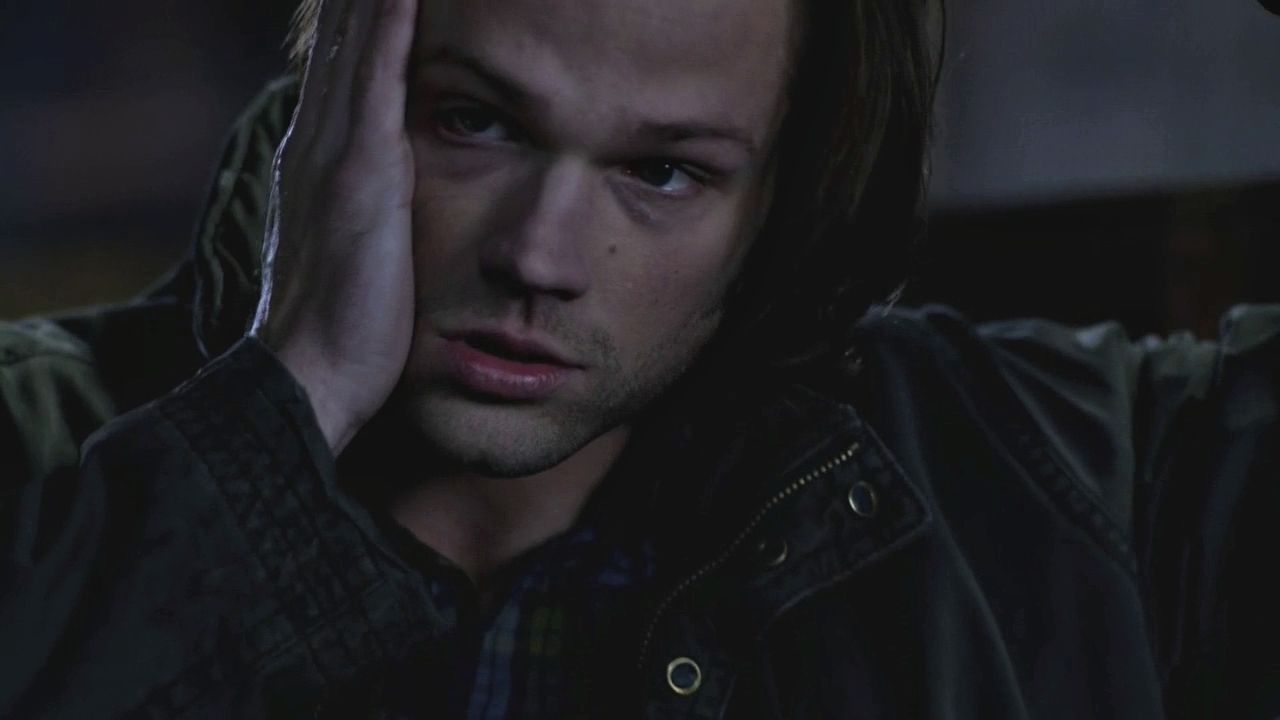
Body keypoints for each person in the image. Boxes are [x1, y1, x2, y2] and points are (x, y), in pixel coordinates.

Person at [1, 0, 1276, 717]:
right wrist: (290, 404)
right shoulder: (34, 442)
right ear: (338, 89)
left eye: (661, 172)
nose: (540, 255)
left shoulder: (1060, 487)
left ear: (782, 203)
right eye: (475, 123)